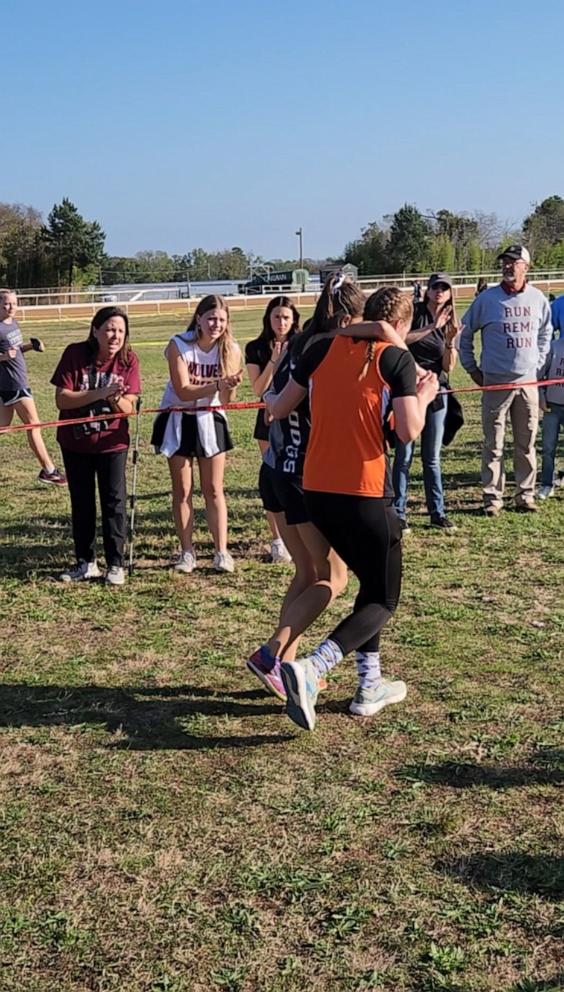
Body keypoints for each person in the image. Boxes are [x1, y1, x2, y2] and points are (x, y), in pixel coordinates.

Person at [267, 284, 439, 731]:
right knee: (383, 597)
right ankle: (313, 667)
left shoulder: (322, 348)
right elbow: (405, 432)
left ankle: (369, 685)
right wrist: (423, 396)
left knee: (367, 583)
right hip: (363, 491)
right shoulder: (396, 359)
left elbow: (280, 406)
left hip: (316, 492)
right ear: (401, 325)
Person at [459, 245, 553, 516]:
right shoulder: (486, 300)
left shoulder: (537, 299)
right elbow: (463, 335)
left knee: (526, 443)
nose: (509, 266)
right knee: (494, 443)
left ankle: (525, 494)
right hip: (495, 383)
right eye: (505, 262)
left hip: (528, 384)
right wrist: (472, 369)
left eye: (514, 262)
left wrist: (537, 364)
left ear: (527, 266)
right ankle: (492, 498)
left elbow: (545, 335)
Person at [151, 295, 242, 573]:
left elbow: (227, 400)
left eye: (222, 320)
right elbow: (182, 390)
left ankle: (221, 552)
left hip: (210, 420)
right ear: (199, 319)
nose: (216, 324)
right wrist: (217, 383)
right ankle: (187, 552)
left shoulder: (232, 349)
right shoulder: (178, 344)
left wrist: (229, 385)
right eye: (211, 318)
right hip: (178, 418)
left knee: (214, 489)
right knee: (183, 490)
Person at [51, 306, 141, 585]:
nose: (115, 336)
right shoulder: (75, 354)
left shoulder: (129, 360)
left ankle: (115, 564)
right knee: (82, 503)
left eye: (120, 331)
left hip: (112, 443)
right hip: (75, 442)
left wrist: (114, 399)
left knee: (114, 502)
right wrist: (101, 392)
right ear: (95, 330)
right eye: (110, 329)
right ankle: (85, 562)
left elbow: (130, 408)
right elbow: (63, 399)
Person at [392, 273, 459, 532]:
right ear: (427, 290)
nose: (440, 291)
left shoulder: (452, 320)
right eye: (435, 287)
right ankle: (399, 512)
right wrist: (432, 327)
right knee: (404, 454)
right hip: (408, 387)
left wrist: (450, 341)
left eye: (445, 288)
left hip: (436, 390)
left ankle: (437, 512)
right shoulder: (415, 312)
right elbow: (400, 339)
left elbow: (449, 366)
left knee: (431, 456)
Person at [245, 296, 300, 563]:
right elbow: (258, 390)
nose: (281, 322)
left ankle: (299, 533)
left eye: (286, 317)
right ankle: (278, 540)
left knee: (294, 477)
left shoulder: (302, 345)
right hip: (266, 418)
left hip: (296, 420)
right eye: (277, 317)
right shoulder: (256, 348)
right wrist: (274, 361)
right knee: (272, 478)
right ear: (268, 318)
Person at [0, 289, 66, 485]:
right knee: (34, 425)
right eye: (6, 304)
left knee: (2, 428)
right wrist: (3, 357)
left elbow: (15, 349)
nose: (11, 307)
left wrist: (31, 346)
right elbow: (6, 354)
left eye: (13, 303)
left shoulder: (12, 323)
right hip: (14, 385)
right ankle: (49, 471)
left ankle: (49, 470)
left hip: (12, 382)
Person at [537, 333, 564, 499]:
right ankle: (546, 483)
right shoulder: (553, 346)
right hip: (552, 406)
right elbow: (540, 375)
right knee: (548, 448)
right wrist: (541, 396)